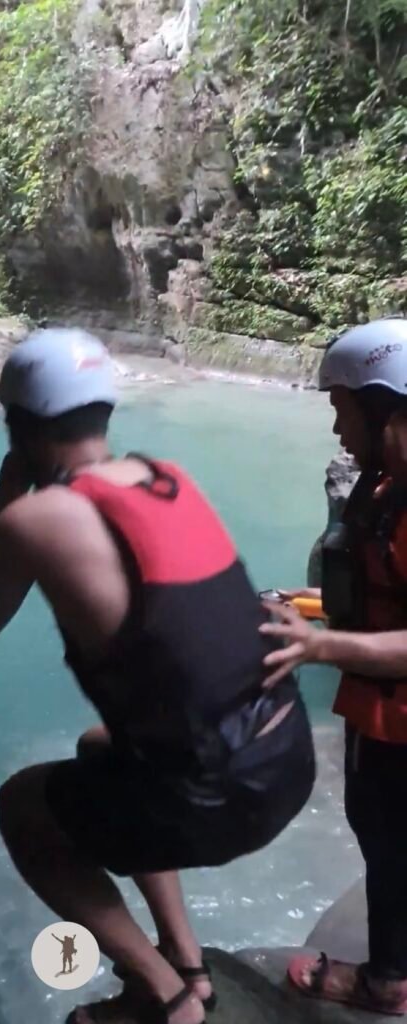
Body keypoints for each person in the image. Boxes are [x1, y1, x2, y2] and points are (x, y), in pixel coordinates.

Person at [0, 328, 315, 1024]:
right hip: (284, 756)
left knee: (22, 807)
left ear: (20, 427)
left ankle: (162, 991)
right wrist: (10, 395)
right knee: (98, 748)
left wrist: (11, 472)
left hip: (221, 797)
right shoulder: (167, 478)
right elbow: (64, 440)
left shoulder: (38, 519)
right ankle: (188, 962)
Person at [260, 317, 407, 1016]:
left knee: (389, 846)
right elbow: (383, 599)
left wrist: (316, 647)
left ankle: (386, 983)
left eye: (341, 411)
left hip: (398, 727)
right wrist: (307, 605)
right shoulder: (386, 492)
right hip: (382, 715)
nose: (336, 429)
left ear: (384, 411)